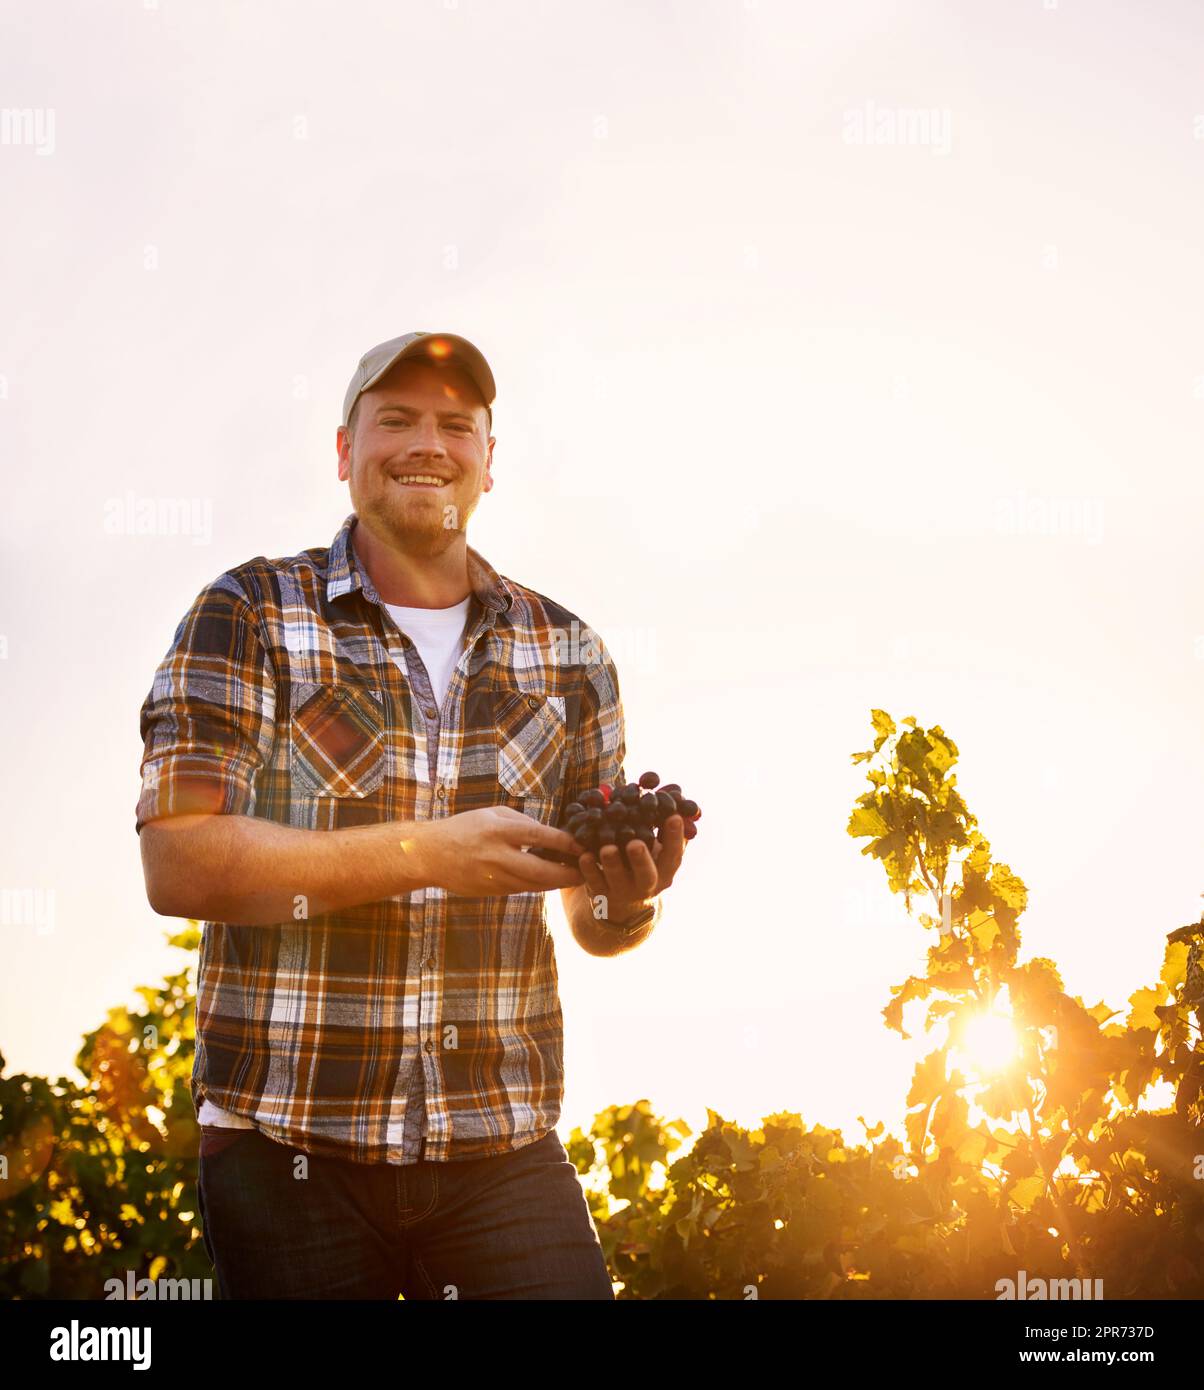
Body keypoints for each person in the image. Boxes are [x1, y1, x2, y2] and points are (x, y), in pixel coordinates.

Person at [135, 331, 688, 1300]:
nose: (426, 442)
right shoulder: (250, 611)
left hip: (502, 1147)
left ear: (487, 459)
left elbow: (589, 923)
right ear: (345, 451)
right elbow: (179, 864)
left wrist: (627, 900)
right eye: (394, 419)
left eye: (454, 423)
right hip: (287, 1147)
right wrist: (428, 851)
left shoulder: (570, 652)